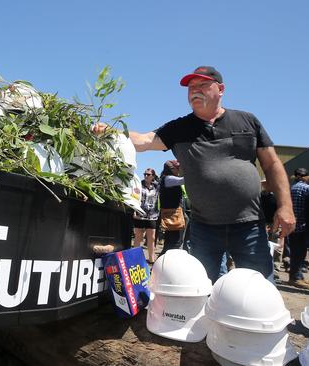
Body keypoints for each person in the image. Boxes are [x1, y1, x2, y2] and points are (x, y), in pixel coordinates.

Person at [92, 66, 295, 284]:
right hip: (204, 228)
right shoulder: (180, 128)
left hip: (249, 225)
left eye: (202, 85)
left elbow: (272, 164)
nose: (194, 91)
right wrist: (111, 132)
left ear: (221, 89)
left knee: (259, 287)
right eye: (190, 87)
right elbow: (143, 140)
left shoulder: (247, 121)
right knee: (205, 288)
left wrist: (285, 206)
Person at [288, 168, 309, 289]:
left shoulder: (292, 188)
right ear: (306, 177)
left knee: (295, 253)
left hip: (292, 226)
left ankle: (296, 276)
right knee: (300, 253)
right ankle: (296, 278)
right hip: (303, 226)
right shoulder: (308, 189)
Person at [132, 168, 159, 263]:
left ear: (153, 176)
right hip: (140, 214)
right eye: (145, 174)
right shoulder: (139, 185)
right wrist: (134, 211)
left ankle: (151, 259)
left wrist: (156, 179)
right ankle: (134, 258)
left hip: (152, 215)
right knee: (138, 237)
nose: (146, 176)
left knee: (151, 238)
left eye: (148, 174)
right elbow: (134, 198)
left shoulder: (156, 186)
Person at [158, 160, 185, 255]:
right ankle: (159, 266)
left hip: (172, 214)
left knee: (172, 243)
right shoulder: (168, 179)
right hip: (173, 215)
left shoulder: (166, 178)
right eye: (177, 168)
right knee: (173, 244)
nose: (178, 170)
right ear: (171, 169)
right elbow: (184, 180)